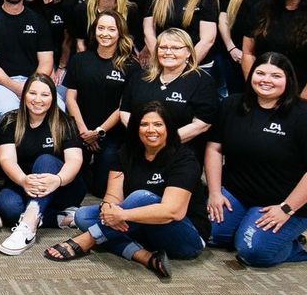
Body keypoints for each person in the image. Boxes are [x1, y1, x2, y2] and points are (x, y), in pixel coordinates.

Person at [45, 100, 204, 280]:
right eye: (144, 124)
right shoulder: (126, 153)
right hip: (144, 229)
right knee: (83, 216)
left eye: (158, 124)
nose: (151, 130)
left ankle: (87, 240)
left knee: (141, 197)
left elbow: (173, 211)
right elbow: (113, 196)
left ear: (169, 127)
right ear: (136, 128)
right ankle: (146, 257)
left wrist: (123, 216)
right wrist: (107, 208)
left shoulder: (184, 159)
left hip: (185, 238)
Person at [206, 52, 307, 266]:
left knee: (252, 252)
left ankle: (292, 244)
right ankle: (246, 225)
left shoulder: (306, 117)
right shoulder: (232, 104)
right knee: (207, 234)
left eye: (275, 76)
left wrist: (286, 209)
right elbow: (214, 148)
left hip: (282, 201)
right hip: (239, 193)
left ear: (288, 80)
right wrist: (214, 193)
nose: (266, 80)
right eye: (260, 73)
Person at [0, 74, 86, 255]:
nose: (38, 100)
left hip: (62, 187)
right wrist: (23, 180)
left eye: (44, 95)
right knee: (9, 208)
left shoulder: (64, 122)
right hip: (22, 183)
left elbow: (75, 159)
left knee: (45, 160)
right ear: (24, 95)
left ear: (53, 98)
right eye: (32, 93)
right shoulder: (10, 121)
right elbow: (7, 159)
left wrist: (58, 180)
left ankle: (29, 224)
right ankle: (63, 218)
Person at [65, 11, 142, 197]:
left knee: (101, 190)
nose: (105, 33)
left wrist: (98, 132)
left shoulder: (131, 66)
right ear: (94, 31)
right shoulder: (80, 60)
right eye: (101, 28)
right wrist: (85, 132)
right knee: (71, 183)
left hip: (112, 134)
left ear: (120, 33)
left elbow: (124, 106)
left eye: (111, 29)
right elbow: (70, 98)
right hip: (80, 130)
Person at [119, 28, 218, 160]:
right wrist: (144, 136)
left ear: (188, 51)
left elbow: (202, 123)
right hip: (139, 149)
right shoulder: (140, 77)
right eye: (163, 47)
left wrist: (163, 140)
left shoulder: (202, 81)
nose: (168, 52)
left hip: (180, 154)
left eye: (175, 48)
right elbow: (124, 111)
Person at [74, 0, 143, 54]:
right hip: (90, 60)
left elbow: (131, 43)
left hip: (120, 59)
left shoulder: (130, 10)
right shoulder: (82, 10)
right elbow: (80, 45)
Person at [30, 0, 73, 77]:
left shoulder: (68, 3)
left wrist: (60, 67)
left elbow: (68, 40)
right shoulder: (30, 2)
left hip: (60, 61)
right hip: (34, 60)